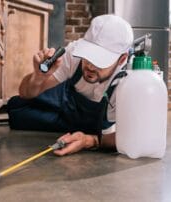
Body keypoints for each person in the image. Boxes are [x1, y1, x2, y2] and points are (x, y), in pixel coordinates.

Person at [7, 14, 134, 156]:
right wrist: (38, 77)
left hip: (95, 129)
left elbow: (133, 137)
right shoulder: (73, 53)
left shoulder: (130, 84)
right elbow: (25, 93)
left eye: (100, 60)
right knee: (16, 108)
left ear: (122, 59)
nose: (90, 65)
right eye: (88, 55)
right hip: (67, 104)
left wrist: (90, 141)